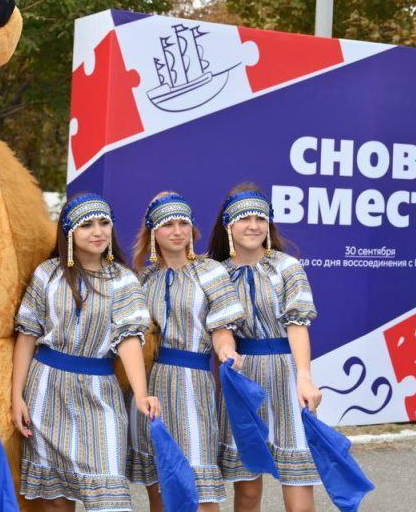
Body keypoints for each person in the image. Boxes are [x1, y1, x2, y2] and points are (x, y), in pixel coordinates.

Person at [11, 192, 159, 511]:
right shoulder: (46, 274)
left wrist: (142, 393)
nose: (98, 232)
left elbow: (129, 341)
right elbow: (27, 336)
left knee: (109, 498)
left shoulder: (123, 280)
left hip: (99, 394)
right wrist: (16, 396)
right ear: (68, 232)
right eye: (87, 225)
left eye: (104, 223)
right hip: (46, 391)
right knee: (55, 502)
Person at [128, 191, 245, 511]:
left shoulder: (210, 272)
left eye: (183, 223)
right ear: (153, 232)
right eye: (168, 224)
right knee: (161, 486)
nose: (177, 231)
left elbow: (222, 331)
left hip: (193, 383)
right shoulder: (144, 278)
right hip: (151, 385)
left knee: (200, 485)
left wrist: (226, 352)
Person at [210, 183, 322, 512]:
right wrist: (226, 352)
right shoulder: (217, 273)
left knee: (298, 480)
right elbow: (220, 328)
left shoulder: (288, 267)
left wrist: (304, 376)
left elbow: (298, 325)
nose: (254, 225)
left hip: (286, 373)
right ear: (228, 224)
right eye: (244, 218)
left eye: (261, 217)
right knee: (246, 487)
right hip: (243, 378)